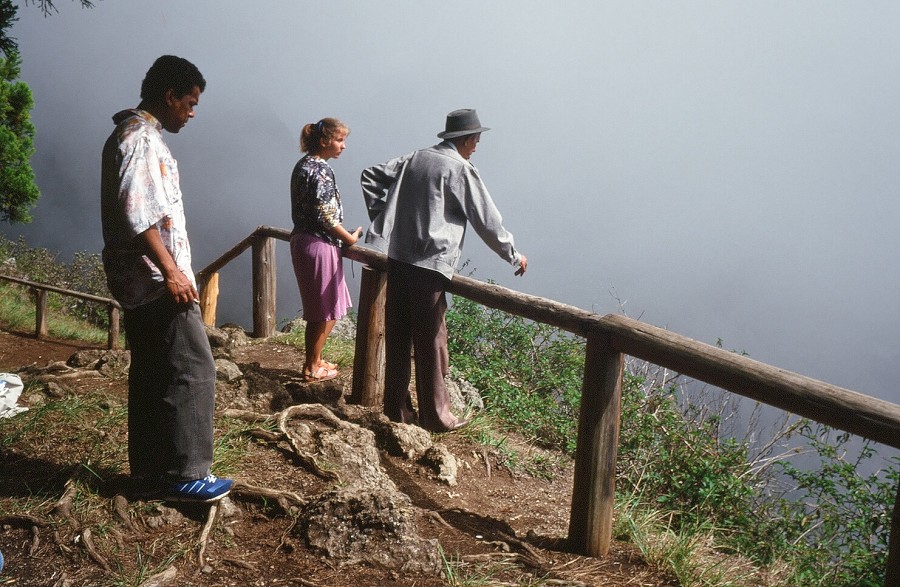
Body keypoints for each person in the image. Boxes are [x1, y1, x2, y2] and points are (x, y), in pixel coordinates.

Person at [100, 55, 233, 502]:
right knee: (194, 368)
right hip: (155, 278)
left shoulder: (133, 135)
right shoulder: (139, 139)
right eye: (190, 103)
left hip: (138, 277)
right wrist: (173, 271)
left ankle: (151, 471)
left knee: (153, 371)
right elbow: (139, 213)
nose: (192, 112)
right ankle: (187, 473)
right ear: (169, 95)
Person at [361, 109, 528, 432]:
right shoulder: (460, 169)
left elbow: (370, 175)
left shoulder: (415, 158)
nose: (477, 146)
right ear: (465, 140)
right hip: (430, 264)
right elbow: (486, 220)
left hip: (398, 258)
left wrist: (383, 216)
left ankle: (396, 410)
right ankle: (437, 417)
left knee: (398, 336)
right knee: (432, 341)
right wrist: (512, 254)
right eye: (476, 140)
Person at [289, 118, 361, 382]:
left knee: (324, 306)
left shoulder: (303, 165)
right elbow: (324, 214)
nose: (343, 146)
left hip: (304, 240)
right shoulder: (320, 169)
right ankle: (312, 367)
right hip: (319, 243)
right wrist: (350, 238)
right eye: (340, 140)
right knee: (324, 308)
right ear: (324, 141)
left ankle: (315, 361)